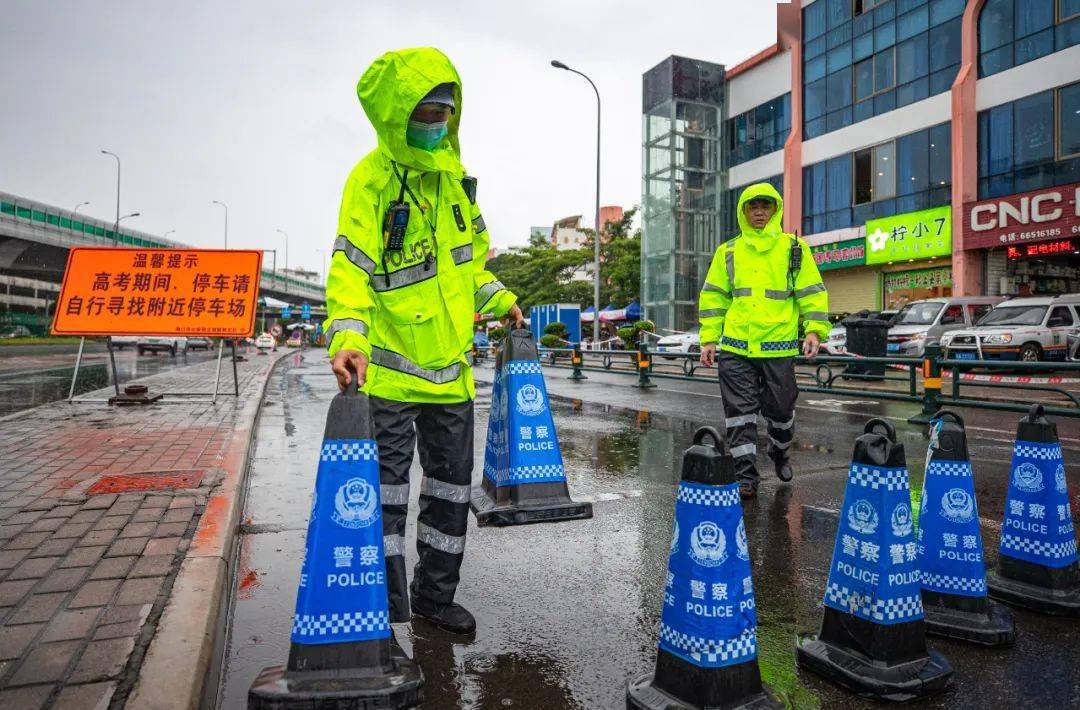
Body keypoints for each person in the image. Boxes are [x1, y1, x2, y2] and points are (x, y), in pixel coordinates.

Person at [324, 47, 522, 635]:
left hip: (451, 378)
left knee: (448, 494)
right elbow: (350, 268)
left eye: (444, 113)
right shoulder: (370, 181)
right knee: (383, 500)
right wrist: (348, 335)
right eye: (425, 113)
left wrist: (503, 300)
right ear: (396, 115)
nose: (436, 124)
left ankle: (435, 597)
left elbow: (468, 271)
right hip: (387, 375)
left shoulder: (457, 184)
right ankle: (383, 607)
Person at [698, 183, 829, 497]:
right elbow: (714, 297)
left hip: (778, 346)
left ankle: (780, 451)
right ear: (743, 211)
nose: (759, 212)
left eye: (765, 206)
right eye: (752, 206)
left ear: (775, 209)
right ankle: (746, 477)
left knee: (781, 411)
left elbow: (811, 292)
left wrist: (814, 330)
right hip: (735, 348)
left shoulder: (794, 248)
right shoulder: (728, 251)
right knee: (740, 415)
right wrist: (709, 339)